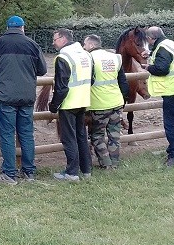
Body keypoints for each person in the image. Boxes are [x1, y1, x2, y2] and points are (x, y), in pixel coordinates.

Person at [0, 16, 47, 185]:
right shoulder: (32, 44)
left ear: (7, 27)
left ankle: (9, 173)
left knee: (7, 134)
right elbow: (42, 70)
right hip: (27, 96)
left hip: (5, 96)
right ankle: (29, 171)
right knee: (26, 134)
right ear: (22, 27)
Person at [48, 29, 94, 181]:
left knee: (69, 138)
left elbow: (61, 86)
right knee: (81, 136)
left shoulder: (63, 57)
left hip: (69, 103)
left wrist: (54, 105)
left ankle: (71, 172)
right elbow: (92, 79)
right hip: (84, 101)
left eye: (55, 39)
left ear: (63, 38)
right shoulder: (86, 54)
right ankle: (86, 170)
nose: (53, 42)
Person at [82, 34, 129, 169]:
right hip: (116, 102)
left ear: (91, 45)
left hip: (99, 103)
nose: (84, 47)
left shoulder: (89, 58)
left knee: (97, 135)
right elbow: (123, 82)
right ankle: (114, 162)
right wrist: (123, 101)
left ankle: (106, 163)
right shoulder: (115, 57)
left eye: (85, 45)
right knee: (114, 135)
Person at [145, 26, 174, 166]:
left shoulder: (162, 48)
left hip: (171, 89)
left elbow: (161, 69)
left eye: (148, 39)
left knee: (170, 124)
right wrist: (150, 55)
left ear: (151, 38)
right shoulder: (170, 44)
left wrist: (148, 67)